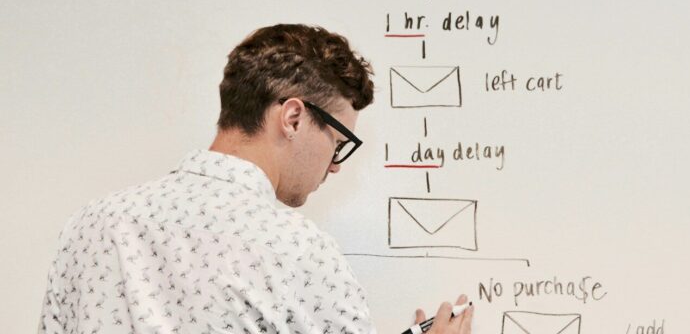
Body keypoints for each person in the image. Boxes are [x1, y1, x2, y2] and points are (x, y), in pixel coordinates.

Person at [38, 24, 474, 333]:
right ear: (294, 117)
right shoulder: (297, 249)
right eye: (338, 142)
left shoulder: (90, 224)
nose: (335, 164)